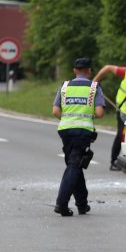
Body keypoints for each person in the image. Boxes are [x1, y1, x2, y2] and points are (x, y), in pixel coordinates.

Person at [52, 57, 106, 216]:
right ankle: (61, 204)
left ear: (74, 70)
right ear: (89, 71)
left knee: (74, 165)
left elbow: (55, 111)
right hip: (83, 131)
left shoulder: (64, 86)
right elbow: (99, 113)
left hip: (65, 130)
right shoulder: (94, 87)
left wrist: (69, 119)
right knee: (74, 166)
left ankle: (82, 204)